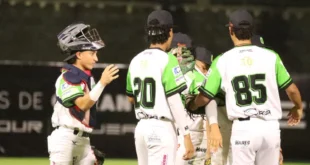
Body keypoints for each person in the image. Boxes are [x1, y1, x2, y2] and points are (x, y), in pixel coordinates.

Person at [186, 9, 303, 165]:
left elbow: (205, 97)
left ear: (230, 29)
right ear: (251, 30)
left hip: (244, 128)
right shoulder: (271, 56)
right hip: (270, 127)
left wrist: (193, 103)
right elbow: (292, 90)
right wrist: (297, 107)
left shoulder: (223, 60)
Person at [125, 10, 194, 165]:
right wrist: (186, 135)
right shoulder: (168, 60)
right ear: (170, 32)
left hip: (141, 127)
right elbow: (175, 101)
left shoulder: (135, 60)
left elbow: (130, 97)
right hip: (160, 127)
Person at [47, 22, 119, 165]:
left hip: (82, 141)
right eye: (92, 53)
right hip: (65, 140)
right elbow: (82, 105)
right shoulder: (68, 76)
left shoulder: (85, 77)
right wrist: (102, 83)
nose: (96, 58)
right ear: (79, 54)